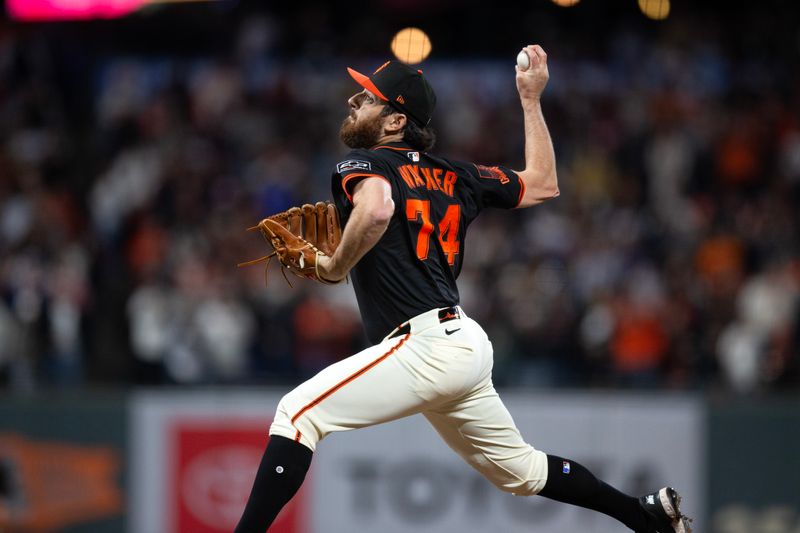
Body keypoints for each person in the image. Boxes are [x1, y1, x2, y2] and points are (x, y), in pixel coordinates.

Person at [235, 45, 691, 533]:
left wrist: (333, 266)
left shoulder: (363, 164)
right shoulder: (457, 175)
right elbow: (542, 184)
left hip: (423, 345)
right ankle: (643, 516)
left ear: (393, 122)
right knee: (524, 472)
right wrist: (531, 100)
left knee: (297, 413)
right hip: (463, 343)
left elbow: (378, 209)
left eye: (366, 98)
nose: (352, 101)